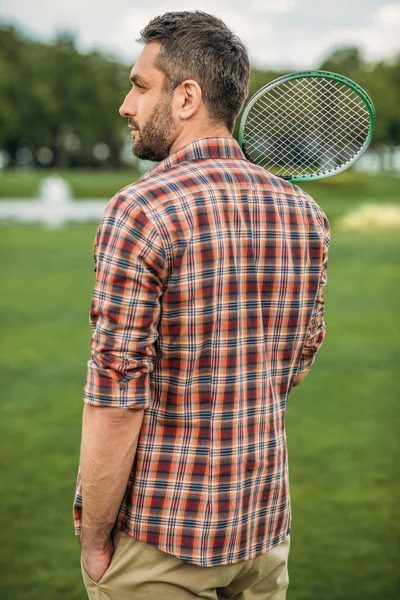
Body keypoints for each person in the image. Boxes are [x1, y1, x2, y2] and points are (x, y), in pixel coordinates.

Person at [73, 10, 330, 600]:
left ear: (186, 97)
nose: (126, 105)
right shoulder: (305, 215)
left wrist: (94, 539)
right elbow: (295, 363)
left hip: (161, 542)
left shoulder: (140, 209)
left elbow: (116, 399)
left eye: (140, 86)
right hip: (263, 537)